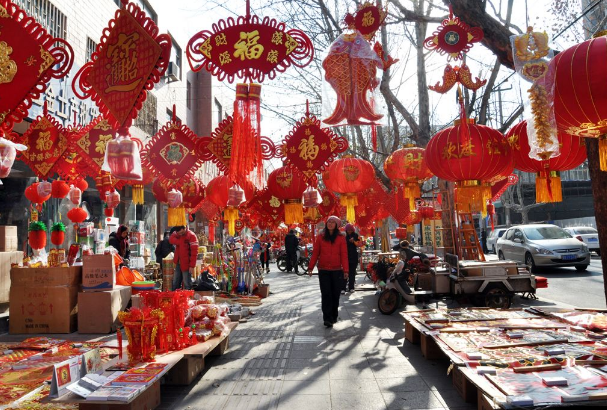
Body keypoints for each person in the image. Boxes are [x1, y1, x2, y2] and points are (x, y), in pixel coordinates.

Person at [307, 215, 349, 328]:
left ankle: (334, 315)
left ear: (336, 225)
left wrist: (346, 270)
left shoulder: (341, 237)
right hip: (323, 269)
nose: (330, 224)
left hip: (337, 270)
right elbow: (315, 252)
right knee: (326, 294)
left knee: (335, 294)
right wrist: (310, 267)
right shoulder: (321, 237)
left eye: (333, 222)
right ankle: (327, 318)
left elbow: (344, 255)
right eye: (328, 222)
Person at [169, 225, 199, 290]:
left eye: (181, 233)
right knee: (175, 282)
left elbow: (194, 252)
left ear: (184, 228)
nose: (180, 234)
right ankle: (175, 297)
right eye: (178, 233)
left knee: (187, 283)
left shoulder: (191, 235)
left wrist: (192, 265)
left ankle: (188, 298)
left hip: (187, 264)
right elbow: (171, 239)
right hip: (178, 262)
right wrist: (180, 242)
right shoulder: (178, 233)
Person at [343, 223, 361, 294]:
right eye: (348, 230)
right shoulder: (344, 236)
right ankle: (343, 288)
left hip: (353, 257)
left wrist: (354, 241)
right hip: (345, 257)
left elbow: (359, 244)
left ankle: (351, 287)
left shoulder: (355, 235)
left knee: (352, 273)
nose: (349, 231)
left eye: (350, 230)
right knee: (344, 273)